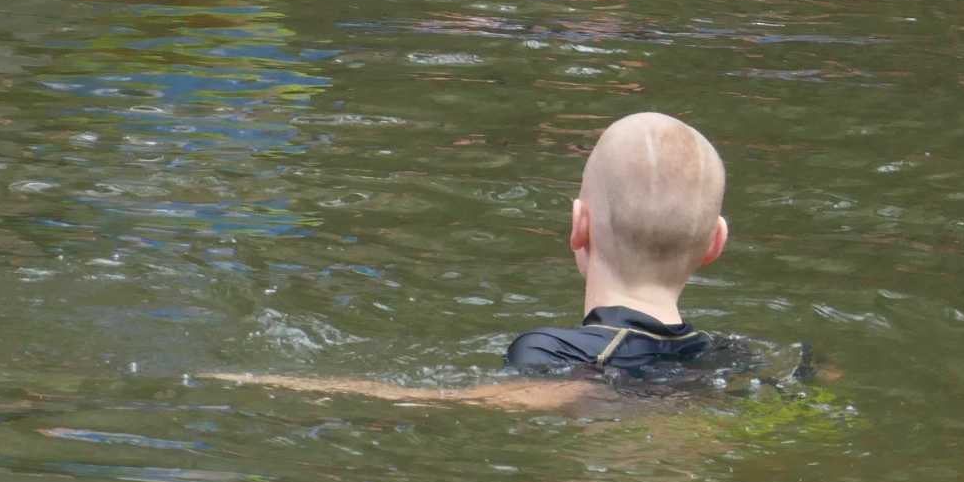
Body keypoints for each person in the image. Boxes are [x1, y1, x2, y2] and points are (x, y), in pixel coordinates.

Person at [209, 112, 784, 411]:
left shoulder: (549, 351)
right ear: (715, 243)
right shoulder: (744, 361)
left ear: (578, 227)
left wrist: (272, 381)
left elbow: (465, 402)